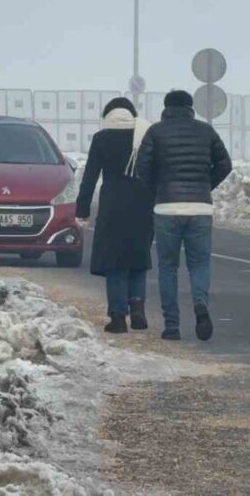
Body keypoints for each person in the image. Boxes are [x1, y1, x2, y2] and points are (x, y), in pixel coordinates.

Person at [135, 89, 232, 341]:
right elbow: (225, 164)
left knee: (168, 268)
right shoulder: (206, 131)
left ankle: (172, 326)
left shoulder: (155, 131)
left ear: (166, 108)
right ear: (191, 107)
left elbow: (141, 167)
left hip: (167, 208)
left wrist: (157, 189)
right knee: (199, 264)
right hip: (199, 208)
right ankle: (200, 304)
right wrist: (205, 185)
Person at [75, 97, 155, 333]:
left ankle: (118, 317)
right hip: (142, 203)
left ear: (107, 116)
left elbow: (89, 176)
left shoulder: (102, 138)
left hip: (112, 206)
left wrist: (82, 210)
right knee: (138, 258)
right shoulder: (144, 136)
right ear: (131, 115)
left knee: (115, 262)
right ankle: (138, 307)